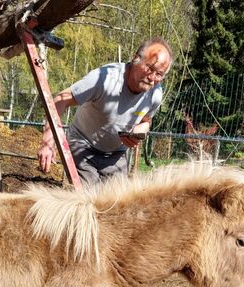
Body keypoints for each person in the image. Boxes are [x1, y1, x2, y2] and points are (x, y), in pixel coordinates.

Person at [37, 37, 173, 185]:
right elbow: (60, 100)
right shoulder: (104, 79)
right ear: (136, 59)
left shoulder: (155, 94)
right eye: (149, 68)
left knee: (117, 203)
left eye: (159, 74)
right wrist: (48, 142)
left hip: (116, 154)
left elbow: (146, 119)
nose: (152, 78)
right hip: (83, 144)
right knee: (88, 201)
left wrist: (143, 127)